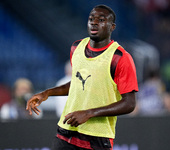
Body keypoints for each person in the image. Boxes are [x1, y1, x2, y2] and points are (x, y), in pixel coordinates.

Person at [26, 4, 138, 150]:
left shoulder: (120, 58)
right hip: (66, 132)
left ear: (112, 27)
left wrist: (89, 113)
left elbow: (129, 103)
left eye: (101, 19)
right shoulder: (76, 47)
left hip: (97, 138)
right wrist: (47, 93)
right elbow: (78, 84)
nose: (94, 22)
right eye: (91, 18)